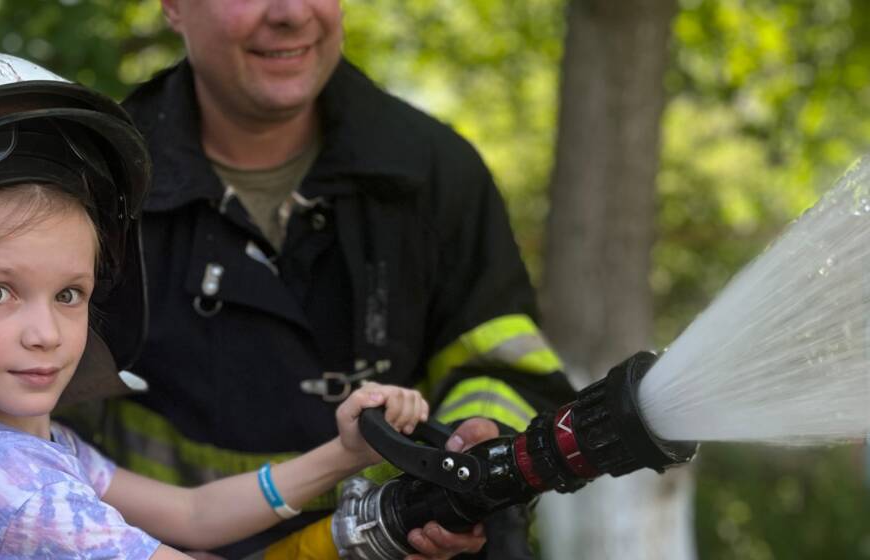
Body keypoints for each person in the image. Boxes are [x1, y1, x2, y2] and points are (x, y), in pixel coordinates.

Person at [0, 50, 456, 560]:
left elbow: (194, 517)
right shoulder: (13, 488)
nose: (45, 333)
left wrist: (340, 457)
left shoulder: (16, 450)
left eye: (69, 294)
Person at [94, 0, 579, 557]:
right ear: (174, 7)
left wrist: (480, 439)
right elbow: (25, 432)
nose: (291, 13)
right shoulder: (102, 184)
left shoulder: (432, 172)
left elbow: (505, 364)